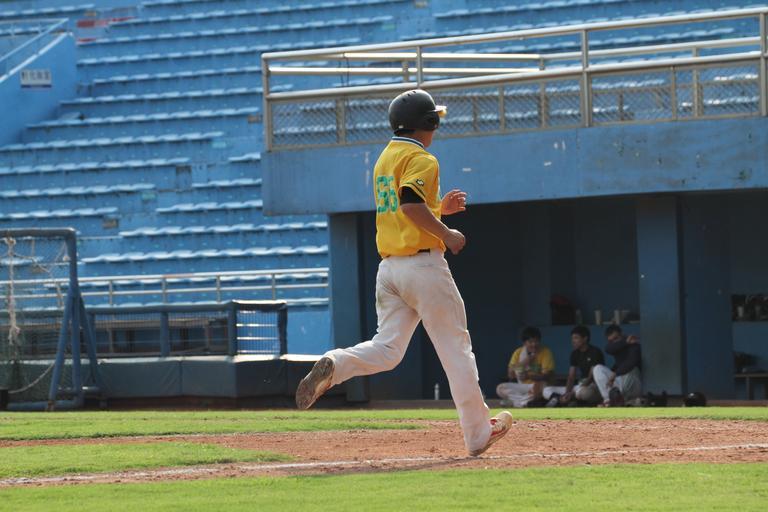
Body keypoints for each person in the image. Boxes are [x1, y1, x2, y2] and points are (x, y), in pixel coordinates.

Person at [295, 89, 512, 457]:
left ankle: (338, 363)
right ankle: (478, 433)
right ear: (428, 122)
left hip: (390, 269)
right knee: (456, 349)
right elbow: (411, 206)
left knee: (388, 349)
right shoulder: (421, 158)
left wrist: (438, 208)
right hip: (423, 266)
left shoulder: (385, 157)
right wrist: (446, 232)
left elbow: (405, 207)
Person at [543, 325, 604, 406]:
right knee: (546, 390)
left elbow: (590, 378)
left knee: (585, 393)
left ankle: (564, 400)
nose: (573, 341)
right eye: (572, 338)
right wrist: (567, 392)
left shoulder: (595, 352)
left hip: (592, 386)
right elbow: (571, 377)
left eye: (576, 338)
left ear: (585, 338)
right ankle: (563, 399)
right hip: (579, 386)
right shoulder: (574, 353)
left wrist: (572, 393)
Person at [496, 327, 555, 408]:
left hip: (537, 385)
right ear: (524, 343)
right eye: (530, 342)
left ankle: (515, 402)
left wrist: (528, 376)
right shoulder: (518, 352)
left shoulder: (545, 352)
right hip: (522, 386)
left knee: (543, 388)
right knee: (500, 388)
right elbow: (510, 375)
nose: (534, 344)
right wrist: (526, 361)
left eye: (536, 341)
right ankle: (523, 402)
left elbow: (547, 376)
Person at [592, 325, 642, 406]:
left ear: (622, 334)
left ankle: (621, 399)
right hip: (621, 384)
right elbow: (608, 349)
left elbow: (631, 363)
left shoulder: (634, 344)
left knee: (633, 370)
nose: (614, 342)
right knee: (597, 368)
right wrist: (625, 342)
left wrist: (615, 374)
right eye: (611, 340)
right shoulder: (618, 345)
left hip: (635, 383)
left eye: (616, 338)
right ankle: (609, 400)